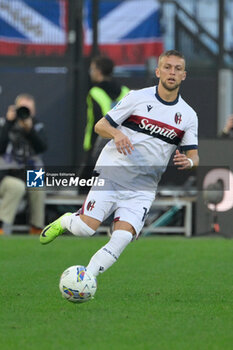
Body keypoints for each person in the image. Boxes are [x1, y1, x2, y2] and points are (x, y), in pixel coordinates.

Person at [40, 50, 199, 279]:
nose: (172, 72)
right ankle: (66, 221)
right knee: (86, 229)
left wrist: (190, 161)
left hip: (144, 186)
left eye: (177, 68)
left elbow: (195, 157)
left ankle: (87, 279)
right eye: (167, 67)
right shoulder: (137, 97)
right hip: (113, 174)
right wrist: (116, 134)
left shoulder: (188, 115)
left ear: (184, 75)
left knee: (122, 237)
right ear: (158, 71)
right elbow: (100, 126)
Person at [0, 93, 48, 235]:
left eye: (28, 110)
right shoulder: (4, 124)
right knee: (17, 186)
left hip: (29, 171)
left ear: (33, 112)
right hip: (5, 174)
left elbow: (42, 147)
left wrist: (30, 130)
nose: (24, 113)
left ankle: (36, 227)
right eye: (22, 109)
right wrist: (9, 123)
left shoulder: (37, 126)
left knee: (38, 185)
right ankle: (3, 227)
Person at [83, 55, 130, 164]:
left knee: (86, 180)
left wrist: (90, 144)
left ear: (98, 71)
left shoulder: (95, 92)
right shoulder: (125, 91)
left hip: (98, 142)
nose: (90, 72)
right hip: (122, 142)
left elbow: (96, 120)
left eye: (92, 69)